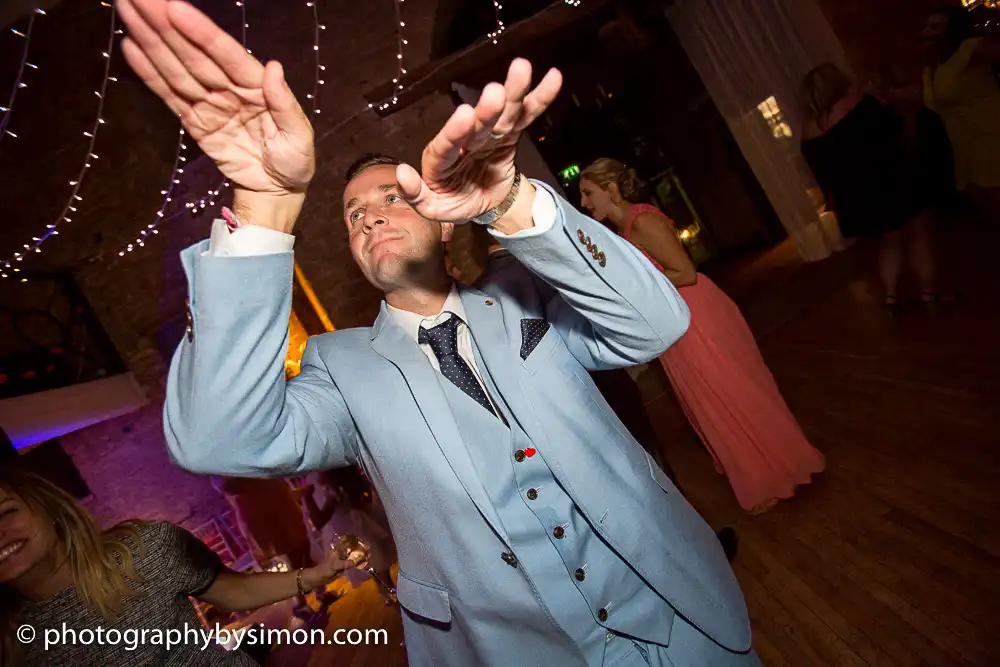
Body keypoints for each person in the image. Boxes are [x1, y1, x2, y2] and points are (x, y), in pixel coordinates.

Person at [119, 1, 757, 665]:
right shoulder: (339, 366)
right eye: (353, 214)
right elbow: (217, 438)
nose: (370, 217)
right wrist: (265, 209)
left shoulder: (525, 289)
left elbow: (657, 322)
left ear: (444, 220)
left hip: (676, 613)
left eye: (392, 196)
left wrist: (510, 201)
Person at [470, 223, 739, 561]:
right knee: (652, 472)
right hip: (605, 388)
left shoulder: (478, 297)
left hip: (553, 414)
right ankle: (702, 554)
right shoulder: (544, 269)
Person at [580, 158, 825, 515]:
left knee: (732, 395)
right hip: (676, 322)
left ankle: (774, 473)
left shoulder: (643, 221)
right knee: (713, 400)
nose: (585, 204)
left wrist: (637, 295)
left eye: (588, 193)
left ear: (611, 190)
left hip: (697, 316)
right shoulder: (625, 231)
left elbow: (686, 273)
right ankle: (763, 470)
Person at [0, 467, 357, 667]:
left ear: (51, 512)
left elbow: (233, 590)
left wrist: (316, 574)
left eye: (6, 512)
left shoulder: (143, 550)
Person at [800, 63, 948, 312]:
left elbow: (823, 174)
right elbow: (896, 130)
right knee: (920, 233)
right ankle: (929, 292)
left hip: (858, 197)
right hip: (894, 180)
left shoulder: (808, 131)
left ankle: (891, 296)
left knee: (889, 241)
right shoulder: (861, 103)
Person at [921, 6, 1000, 209]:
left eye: (935, 28)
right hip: (964, 145)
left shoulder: (968, 49)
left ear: (951, 32)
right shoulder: (934, 67)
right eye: (927, 27)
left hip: (989, 138)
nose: (926, 32)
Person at [301, 470, 396, 605]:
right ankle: (392, 597)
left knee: (378, 570)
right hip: (369, 524)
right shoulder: (351, 481)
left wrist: (307, 497)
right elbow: (367, 494)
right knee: (381, 569)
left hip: (359, 534)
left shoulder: (334, 495)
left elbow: (319, 521)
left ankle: (392, 599)